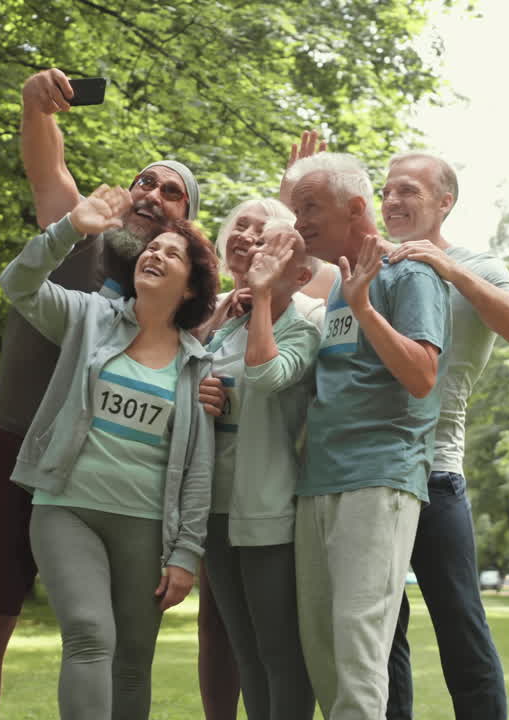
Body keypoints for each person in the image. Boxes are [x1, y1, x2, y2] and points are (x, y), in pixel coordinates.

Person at [0, 68, 201, 720]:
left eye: (172, 192)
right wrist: (37, 105)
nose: (153, 193)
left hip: (105, 478)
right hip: (17, 442)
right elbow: (44, 160)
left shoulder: (182, 306)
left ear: (185, 221)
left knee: (111, 641)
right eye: (145, 180)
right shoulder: (82, 229)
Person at [1, 185, 219, 719]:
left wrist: (187, 552)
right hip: (66, 509)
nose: (155, 254)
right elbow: (18, 284)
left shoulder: (199, 367)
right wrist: (70, 228)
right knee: (89, 635)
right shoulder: (90, 317)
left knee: (133, 660)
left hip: (146, 526)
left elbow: (197, 469)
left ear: (190, 289)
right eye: (153, 249)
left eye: (173, 254)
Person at [285, 152, 453, 719]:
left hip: (378, 480)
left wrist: (364, 305)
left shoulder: (409, 273)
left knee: (359, 662)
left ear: (356, 209)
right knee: (324, 659)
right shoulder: (337, 285)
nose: (298, 220)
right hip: (317, 483)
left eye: (310, 208)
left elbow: (422, 375)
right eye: (294, 208)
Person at [381, 150, 509, 720]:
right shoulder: (373, 265)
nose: (393, 201)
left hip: (436, 475)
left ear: (444, 202)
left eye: (409, 191)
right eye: (387, 191)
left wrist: (450, 270)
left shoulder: (479, 264)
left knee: (460, 628)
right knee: (379, 637)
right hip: (368, 474)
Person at [201, 220, 320, 720]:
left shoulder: (304, 329)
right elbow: (189, 378)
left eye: (274, 255)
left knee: (280, 655)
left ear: (301, 275)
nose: (258, 257)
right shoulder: (228, 324)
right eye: (256, 253)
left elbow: (266, 375)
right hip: (216, 510)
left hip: (267, 512)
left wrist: (266, 299)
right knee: (245, 652)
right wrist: (199, 393)